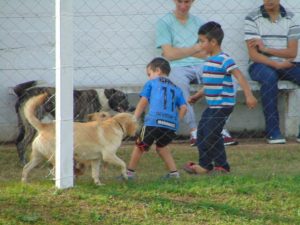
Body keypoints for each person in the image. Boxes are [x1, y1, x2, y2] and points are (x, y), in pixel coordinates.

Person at [156, 0, 238, 146]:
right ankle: (194, 131)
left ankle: (219, 128)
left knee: (229, 78)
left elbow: (206, 53)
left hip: (202, 64)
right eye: (180, 1)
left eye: (187, 1)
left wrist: (180, 51)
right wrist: (194, 49)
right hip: (177, 67)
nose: (183, 5)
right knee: (179, 84)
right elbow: (169, 54)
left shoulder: (198, 22)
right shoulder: (164, 22)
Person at [183, 22, 257, 174]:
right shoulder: (209, 61)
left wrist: (249, 95)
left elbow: (239, 76)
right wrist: (197, 96)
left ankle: (222, 166)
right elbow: (210, 84)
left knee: (212, 134)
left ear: (213, 42)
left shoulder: (224, 59)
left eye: (202, 41)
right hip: (212, 106)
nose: (200, 44)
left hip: (223, 105)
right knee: (202, 133)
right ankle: (205, 165)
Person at [244, 0, 300, 144]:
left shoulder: (291, 17)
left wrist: (266, 49)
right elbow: (254, 55)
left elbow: (292, 52)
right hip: (260, 64)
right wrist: (276, 63)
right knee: (269, 77)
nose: (268, 0)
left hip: (285, 63)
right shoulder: (252, 18)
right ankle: (273, 131)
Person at [126, 57, 187, 179]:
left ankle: (129, 174)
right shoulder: (177, 88)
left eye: (149, 74)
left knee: (140, 146)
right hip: (170, 125)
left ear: (158, 70)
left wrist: (134, 119)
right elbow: (184, 108)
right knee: (162, 146)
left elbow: (143, 102)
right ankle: (174, 174)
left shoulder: (151, 83)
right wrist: (176, 121)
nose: (149, 77)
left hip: (154, 122)